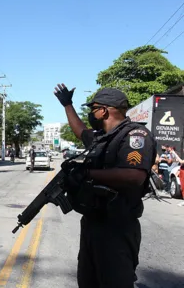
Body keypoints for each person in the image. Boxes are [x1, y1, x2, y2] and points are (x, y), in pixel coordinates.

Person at [54, 83, 157, 288]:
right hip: (93, 224)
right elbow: (81, 131)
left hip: (117, 227)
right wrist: (67, 105)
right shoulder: (100, 138)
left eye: (93, 109)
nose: (91, 114)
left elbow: (134, 175)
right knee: (88, 281)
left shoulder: (135, 136)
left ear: (103, 111)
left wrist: (86, 173)